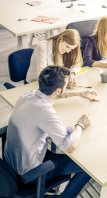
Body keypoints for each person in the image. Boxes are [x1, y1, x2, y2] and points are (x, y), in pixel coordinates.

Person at [4, 66, 98, 197]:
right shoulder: (44, 112)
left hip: (11, 162)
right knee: (90, 168)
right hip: (30, 173)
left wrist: (79, 93)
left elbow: (52, 96)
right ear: (58, 90)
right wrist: (80, 125)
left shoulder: (28, 95)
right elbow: (69, 146)